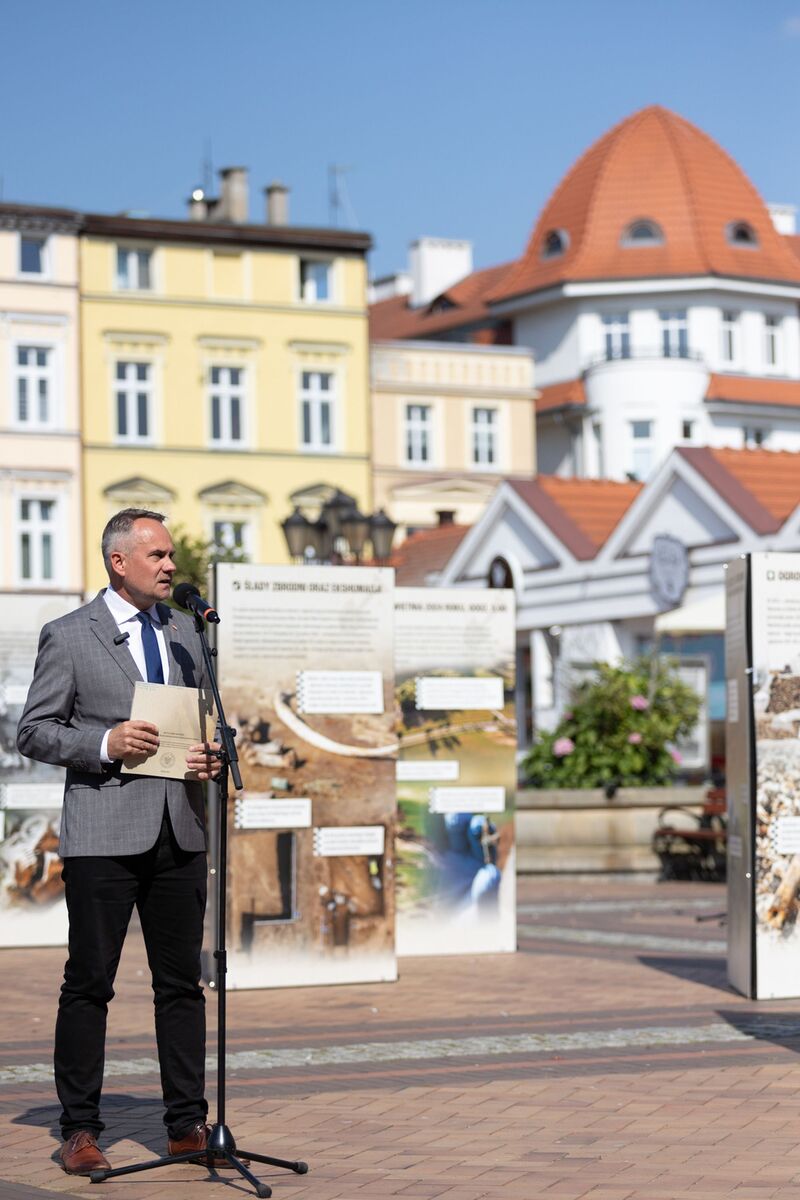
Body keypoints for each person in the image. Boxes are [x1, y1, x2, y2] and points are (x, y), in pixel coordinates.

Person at [17, 508, 222, 1176]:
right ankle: (79, 1129)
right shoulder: (71, 636)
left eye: (170, 556)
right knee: (89, 984)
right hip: (104, 833)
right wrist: (105, 742)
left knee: (181, 986)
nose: (170, 566)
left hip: (180, 830)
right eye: (158, 555)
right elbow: (35, 731)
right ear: (119, 561)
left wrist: (218, 752)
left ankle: (187, 1123)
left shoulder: (190, 631)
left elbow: (214, 719)